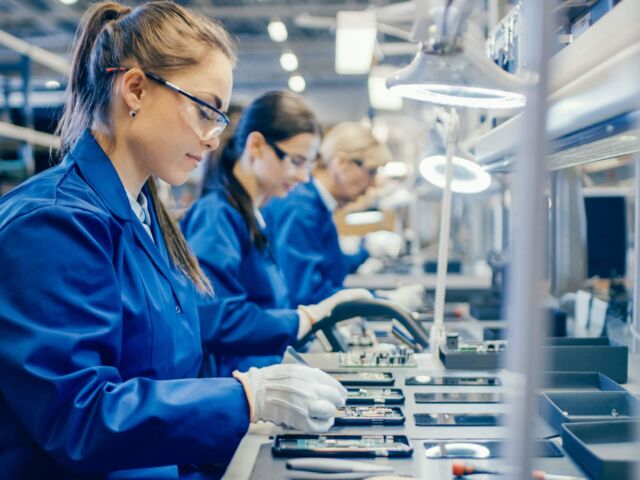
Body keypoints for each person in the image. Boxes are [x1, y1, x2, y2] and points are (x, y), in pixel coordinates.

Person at [0, 3, 346, 478]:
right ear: (135, 88)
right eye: (205, 110)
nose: (211, 138)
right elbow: (79, 416)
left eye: (219, 120)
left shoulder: (146, 216)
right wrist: (246, 398)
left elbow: (173, 371)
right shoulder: (53, 223)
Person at [181, 92, 372, 377]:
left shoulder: (251, 217)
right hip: (232, 389)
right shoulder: (217, 216)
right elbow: (215, 318)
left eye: (307, 164)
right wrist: (301, 320)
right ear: (256, 145)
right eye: (295, 161)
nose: (303, 177)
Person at [263, 122, 402, 307]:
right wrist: (382, 302)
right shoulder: (300, 209)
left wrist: (365, 250)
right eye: (371, 171)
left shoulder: (318, 206)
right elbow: (306, 296)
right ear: (341, 162)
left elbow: (329, 269)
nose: (373, 183)